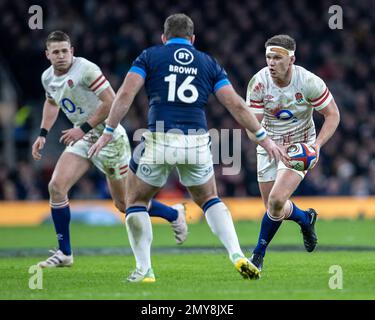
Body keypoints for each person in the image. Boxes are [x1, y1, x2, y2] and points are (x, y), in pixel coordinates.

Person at [89, 14, 288, 282]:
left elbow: (125, 94)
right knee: (209, 199)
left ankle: (144, 270)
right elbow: (236, 105)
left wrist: (109, 131)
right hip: (197, 140)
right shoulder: (208, 63)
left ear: (164, 37)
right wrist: (264, 138)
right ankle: (237, 254)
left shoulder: (149, 56)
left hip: (160, 137)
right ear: (193, 39)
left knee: (134, 201)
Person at [31, 31, 188, 268]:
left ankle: (174, 214)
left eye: (65, 50)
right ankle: (65, 253)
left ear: (72, 51)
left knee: (124, 204)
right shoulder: (47, 78)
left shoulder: (86, 69)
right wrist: (43, 133)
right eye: (56, 52)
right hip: (83, 138)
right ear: (48, 55)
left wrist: (83, 128)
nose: (61, 56)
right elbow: (52, 102)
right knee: (56, 187)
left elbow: (111, 101)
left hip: (109, 138)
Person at [245, 34, 340, 271]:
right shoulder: (258, 82)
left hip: (299, 148)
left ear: (291, 59)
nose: (271, 62)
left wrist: (316, 145)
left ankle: (257, 255)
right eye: (268, 57)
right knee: (273, 207)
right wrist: (270, 145)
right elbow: (251, 127)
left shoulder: (308, 82)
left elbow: (332, 115)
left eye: (277, 57)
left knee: (277, 200)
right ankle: (305, 219)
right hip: (268, 145)